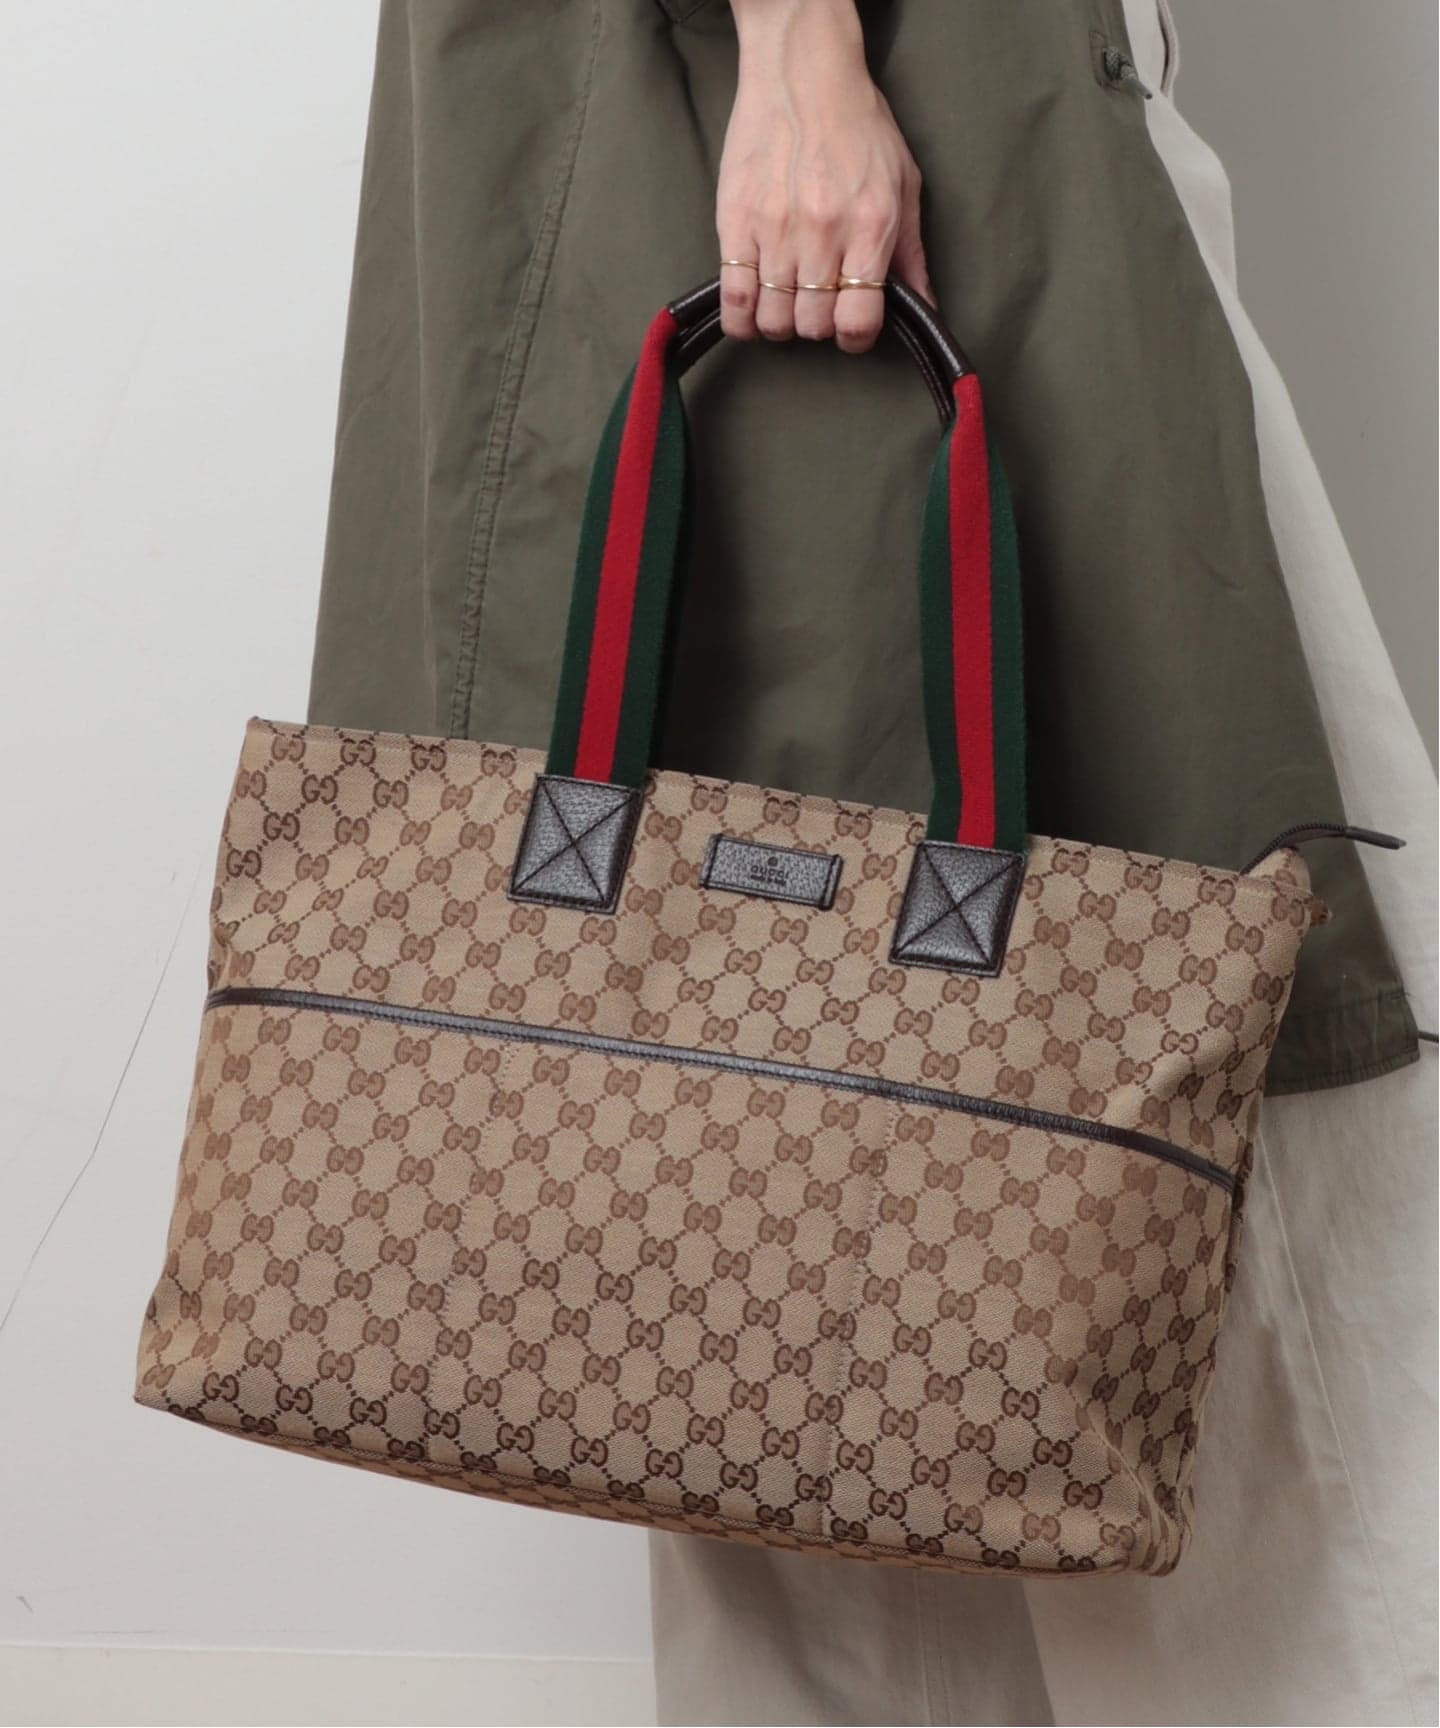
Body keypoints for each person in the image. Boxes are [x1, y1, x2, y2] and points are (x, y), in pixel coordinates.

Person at [308, 2, 1436, 1721]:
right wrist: (799, 57)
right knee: (1187, 1077)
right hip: (864, 75)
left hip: (695, 94)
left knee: (763, 1208)